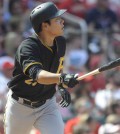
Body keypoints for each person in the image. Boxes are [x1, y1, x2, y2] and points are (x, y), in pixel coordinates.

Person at [4, 2, 79, 134]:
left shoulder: (60, 41)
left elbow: (56, 69)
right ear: (45, 25)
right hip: (20, 107)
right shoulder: (28, 47)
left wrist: (60, 85)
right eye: (57, 19)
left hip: (46, 105)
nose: (62, 21)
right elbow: (38, 75)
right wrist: (61, 79)